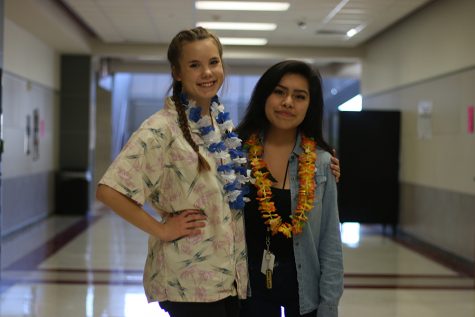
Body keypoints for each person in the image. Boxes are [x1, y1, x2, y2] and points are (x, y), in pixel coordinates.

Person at [96, 27, 250, 317]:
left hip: (228, 280)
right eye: (195, 65)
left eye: (213, 62)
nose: (207, 72)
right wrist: (162, 230)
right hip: (190, 282)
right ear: (177, 73)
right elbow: (108, 190)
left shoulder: (218, 126)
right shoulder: (161, 129)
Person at [236, 60, 344, 317]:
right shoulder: (237, 156)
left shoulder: (322, 164)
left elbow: (330, 243)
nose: (288, 102)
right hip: (248, 292)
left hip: (305, 293)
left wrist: (329, 305)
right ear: (264, 95)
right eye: (279, 92)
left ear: (310, 105)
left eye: (299, 96)